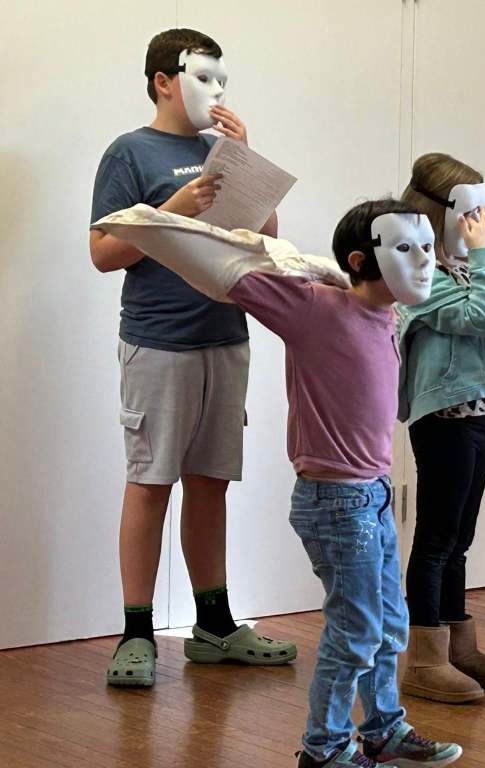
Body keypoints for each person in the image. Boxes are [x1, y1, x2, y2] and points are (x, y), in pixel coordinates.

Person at [94, 198, 463, 767]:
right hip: (337, 503)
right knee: (356, 629)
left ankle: (384, 729)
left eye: (427, 248)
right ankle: (325, 749)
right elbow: (232, 271)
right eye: (406, 248)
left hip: (375, 494)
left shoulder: (390, 312)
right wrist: (151, 223)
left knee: (390, 624)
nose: (424, 262)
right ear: (364, 260)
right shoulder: (314, 309)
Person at [88, 28, 294, 688]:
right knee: (150, 483)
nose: (216, 91)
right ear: (163, 81)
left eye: (222, 80)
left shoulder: (218, 150)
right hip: (158, 342)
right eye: (204, 77)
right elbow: (103, 254)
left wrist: (244, 158)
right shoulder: (129, 152)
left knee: (211, 483)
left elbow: (264, 242)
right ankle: (137, 633)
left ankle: (214, 626)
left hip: (225, 338)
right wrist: (172, 207)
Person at [396, 153, 485, 703]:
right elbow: (475, 315)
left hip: (477, 412)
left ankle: (457, 647)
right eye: (472, 212)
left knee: (461, 539)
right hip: (444, 419)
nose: (481, 221)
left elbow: (481, 332)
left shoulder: (462, 267)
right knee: (437, 537)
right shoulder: (421, 269)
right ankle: (424, 661)